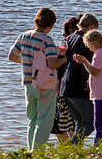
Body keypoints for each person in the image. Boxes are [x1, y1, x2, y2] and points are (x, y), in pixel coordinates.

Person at [7, 8, 65, 151]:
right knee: (44, 121)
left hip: (28, 83)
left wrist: (29, 62)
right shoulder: (47, 41)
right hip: (44, 85)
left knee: (32, 120)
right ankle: (37, 152)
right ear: (51, 24)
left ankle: (30, 150)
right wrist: (64, 58)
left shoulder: (24, 36)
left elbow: (12, 56)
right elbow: (52, 64)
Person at [60, 13, 102, 143]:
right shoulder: (86, 41)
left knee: (79, 123)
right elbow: (92, 63)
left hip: (65, 85)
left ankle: (75, 150)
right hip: (78, 86)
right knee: (91, 123)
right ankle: (71, 147)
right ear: (91, 26)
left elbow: (62, 61)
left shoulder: (69, 38)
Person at [72, 29, 102, 145]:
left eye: (89, 45)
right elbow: (99, 72)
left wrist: (83, 61)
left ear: (95, 43)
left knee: (99, 125)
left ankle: (97, 147)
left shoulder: (101, 53)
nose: (89, 48)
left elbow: (94, 71)